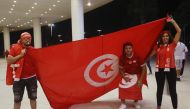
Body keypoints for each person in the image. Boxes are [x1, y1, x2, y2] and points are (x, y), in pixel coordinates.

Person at [150, 17, 181, 109]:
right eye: (163, 36)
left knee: (172, 90)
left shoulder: (173, 45)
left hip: (171, 69)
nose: (165, 38)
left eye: (167, 36)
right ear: (161, 38)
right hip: (159, 70)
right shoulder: (157, 47)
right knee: (159, 89)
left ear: (169, 37)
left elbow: (179, 31)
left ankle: (175, 107)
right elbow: (149, 55)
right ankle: (158, 106)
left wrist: (173, 21)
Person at [6, 32, 37, 109]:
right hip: (18, 79)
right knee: (17, 100)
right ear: (21, 39)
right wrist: (21, 55)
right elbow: (9, 61)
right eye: (25, 38)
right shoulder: (14, 48)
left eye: (29, 38)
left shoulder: (32, 49)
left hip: (32, 78)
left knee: (33, 98)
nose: (28, 40)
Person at [118, 42, 147, 109]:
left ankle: (136, 102)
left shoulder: (138, 56)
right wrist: (124, 77)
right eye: (126, 48)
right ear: (124, 50)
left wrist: (140, 80)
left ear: (132, 49)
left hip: (137, 74)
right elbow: (120, 69)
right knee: (121, 86)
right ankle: (123, 103)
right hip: (127, 74)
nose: (128, 50)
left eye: (129, 48)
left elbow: (144, 68)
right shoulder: (122, 57)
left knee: (138, 85)